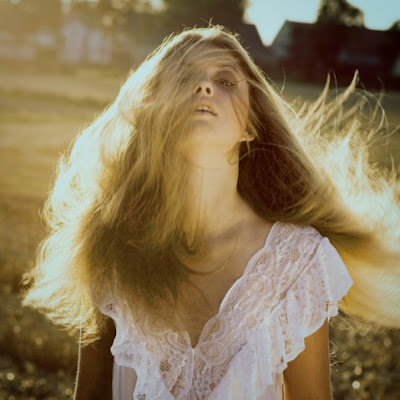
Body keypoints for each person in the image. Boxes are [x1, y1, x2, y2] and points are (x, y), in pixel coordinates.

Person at [21, 25, 400, 400]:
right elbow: (90, 393)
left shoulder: (297, 261)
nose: (203, 87)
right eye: (185, 78)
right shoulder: (111, 245)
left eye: (226, 81)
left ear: (251, 125)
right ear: (157, 114)